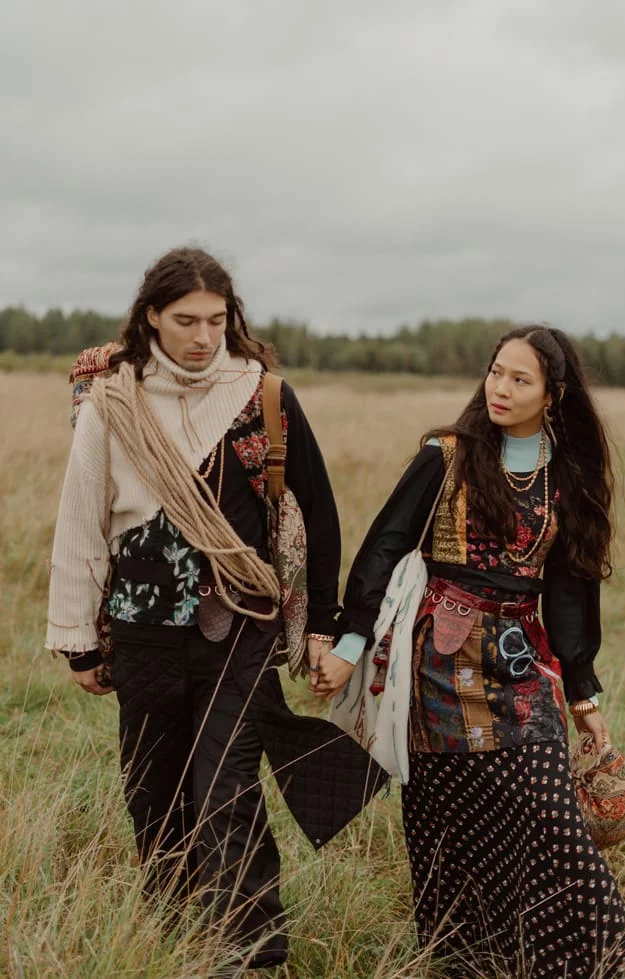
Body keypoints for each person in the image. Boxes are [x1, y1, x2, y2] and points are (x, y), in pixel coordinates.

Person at [46, 247, 384, 971]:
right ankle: (173, 935)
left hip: (241, 624)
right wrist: (78, 639)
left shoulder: (262, 394)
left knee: (225, 786)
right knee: (153, 788)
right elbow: (81, 519)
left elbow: (318, 514)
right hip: (142, 628)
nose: (204, 336)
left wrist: (323, 625)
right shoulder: (112, 399)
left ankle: (248, 950)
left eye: (216, 319)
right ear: (151, 318)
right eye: (186, 320)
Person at [318, 326, 625, 977]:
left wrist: (581, 692)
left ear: (552, 394)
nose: (500, 388)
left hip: (520, 667)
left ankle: (598, 964)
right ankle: (470, 964)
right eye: (495, 372)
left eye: (520, 378)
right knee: (452, 830)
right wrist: (351, 642)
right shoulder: (446, 455)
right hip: (437, 666)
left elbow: (569, 590)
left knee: (552, 817)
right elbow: (384, 546)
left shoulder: (566, 475)